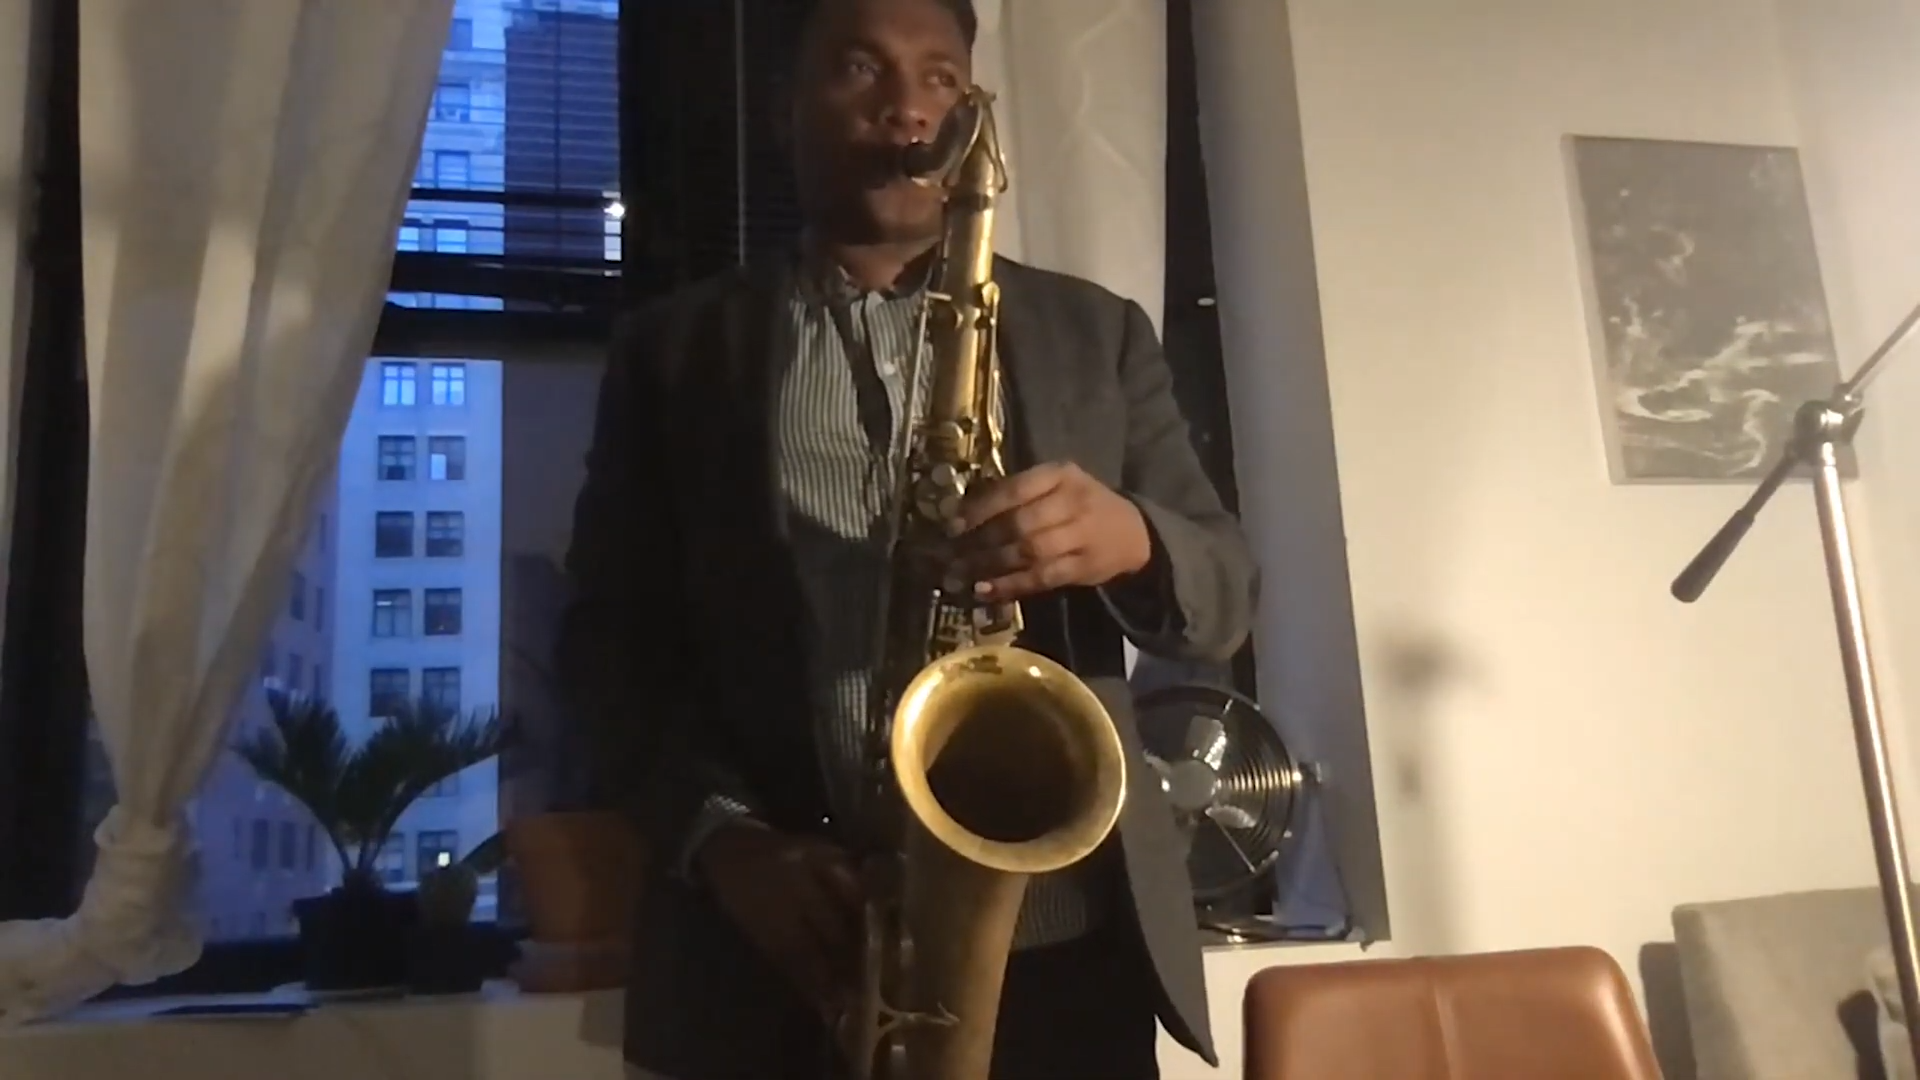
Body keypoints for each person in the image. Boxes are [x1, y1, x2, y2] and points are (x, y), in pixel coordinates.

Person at [559, 0, 1256, 1076]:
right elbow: (606, 654)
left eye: (940, 77)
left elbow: (1226, 594)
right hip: (777, 956)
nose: (908, 108)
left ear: (971, 114)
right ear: (788, 107)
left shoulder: (1099, 331)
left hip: (1069, 957)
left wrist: (1133, 537)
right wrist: (726, 842)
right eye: (860, 69)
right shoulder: (672, 352)